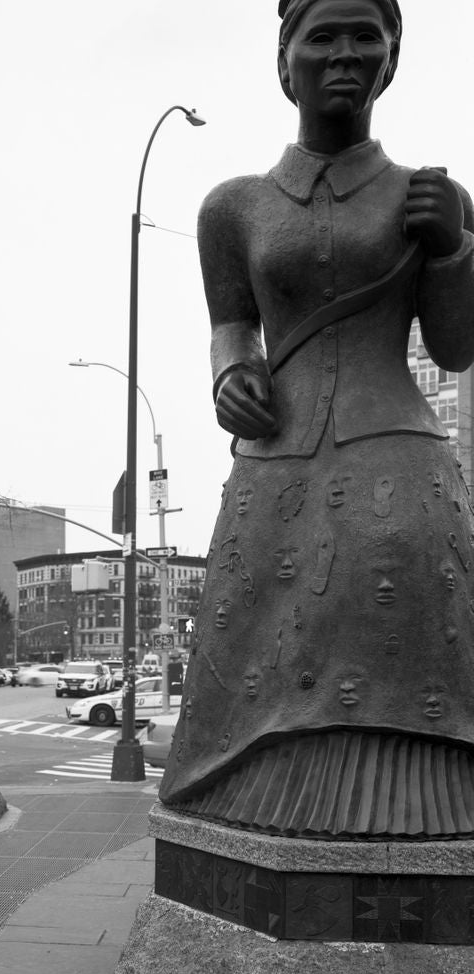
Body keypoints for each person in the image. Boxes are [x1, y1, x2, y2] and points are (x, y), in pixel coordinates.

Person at [159, 0, 474, 839]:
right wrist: (232, 372)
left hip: (398, 466)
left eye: (365, 35)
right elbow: (231, 324)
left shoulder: (434, 196)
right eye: (322, 36)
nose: (344, 52)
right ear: (285, 58)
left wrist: (453, 248)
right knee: (257, 657)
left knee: (408, 655)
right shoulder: (234, 208)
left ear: (391, 59)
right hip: (276, 468)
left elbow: (456, 348)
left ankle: (417, 824)